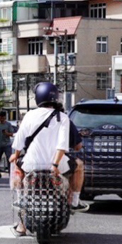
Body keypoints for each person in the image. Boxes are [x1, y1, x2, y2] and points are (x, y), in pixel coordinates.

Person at [9, 81, 86, 235]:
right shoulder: (62, 117)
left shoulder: (29, 115)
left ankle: (19, 200)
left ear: (38, 97)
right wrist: (55, 165)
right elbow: (62, 145)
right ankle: (75, 201)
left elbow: (18, 142)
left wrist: (15, 156)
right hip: (57, 165)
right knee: (79, 165)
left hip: (31, 164)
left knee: (15, 167)